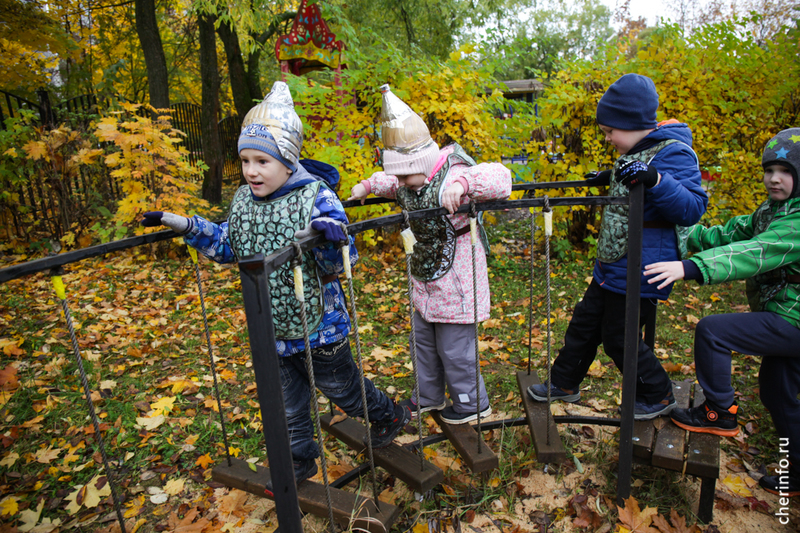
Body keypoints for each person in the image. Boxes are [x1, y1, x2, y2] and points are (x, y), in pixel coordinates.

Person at [140, 81, 410, 492]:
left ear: (287, 161)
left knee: (343, 390)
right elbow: (230, 245)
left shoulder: (316, 197)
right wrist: (188, 226)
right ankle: (298, 462)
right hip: (272, 325)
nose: (251, 171)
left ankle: (388, 414)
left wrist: (328, 239)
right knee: (289, 403)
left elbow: (343, 260)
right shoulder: (243, 201)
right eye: (245, 160)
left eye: (262, 161)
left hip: (320, 326)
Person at [527, 73, 708, 420]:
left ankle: (657, 394)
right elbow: (632, 181)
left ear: (634, 123)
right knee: (584, 323)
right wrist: (608, 177)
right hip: (613, 263)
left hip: (643, 266)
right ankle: (564, 382)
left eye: (611, 131)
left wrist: (656, 180)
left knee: (619, 337)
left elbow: (692, 207)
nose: (608, 138)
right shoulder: (635, 150)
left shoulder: (674, 153)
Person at [644, 128, 800, 497]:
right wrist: (684, 233)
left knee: (713, 330)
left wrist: (691, 267)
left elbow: (754, 251)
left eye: (786, 171)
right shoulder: (772, 210)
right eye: (769, 170)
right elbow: (732, 235)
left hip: (793, 320)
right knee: (778, 394)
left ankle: (718, 412)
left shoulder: (796, 223)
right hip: (785, 316)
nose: (774, 178)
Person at [348, 85, 512, 424]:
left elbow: (501, 178)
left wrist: (463, 186)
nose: (401, 183)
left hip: (458, 279)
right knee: (422, 340)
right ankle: (429, 395)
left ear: (422, 162)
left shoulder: (453, 173)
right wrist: (367, 185)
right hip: (425, 276)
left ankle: (471, 404)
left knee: (454, 347)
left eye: (406, 175)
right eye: (398, 176)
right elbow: (390, 181)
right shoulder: (408, 178)